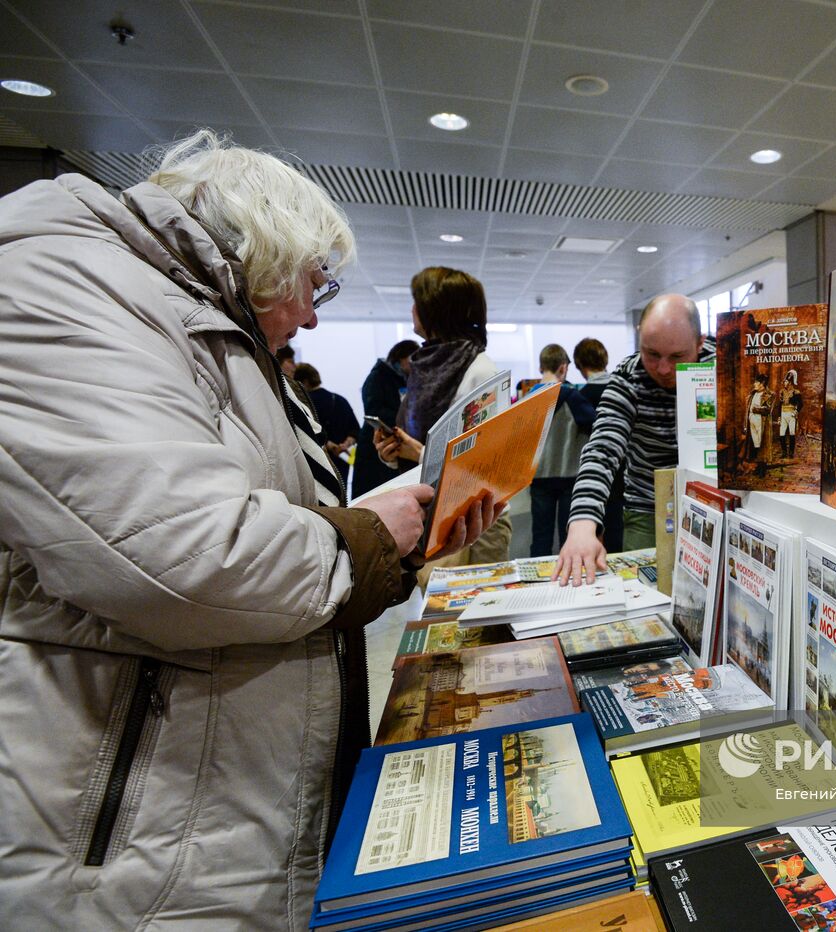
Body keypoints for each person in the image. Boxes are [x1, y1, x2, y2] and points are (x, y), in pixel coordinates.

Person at [0, 131, 498, 930]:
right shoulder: (64, 282)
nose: (307, 312)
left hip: (204, 795)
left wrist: (406, 532)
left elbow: (273, 505)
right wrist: (368, 536)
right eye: (311, 283)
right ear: (255, 245)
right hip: (133, 825)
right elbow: (186, 553)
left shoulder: (207, 322)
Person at [555, 294, 714, 584]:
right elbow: (602, 449)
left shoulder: (726, 368)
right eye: (651, 354)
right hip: (648, 509)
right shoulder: (627, 380)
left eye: (677, 356)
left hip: (715, 506)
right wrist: (582, 524)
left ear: (700, 343)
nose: (663, 369)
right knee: (646, 591)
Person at [374, 266, 513, 570]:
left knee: (475, 615)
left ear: (436, 310)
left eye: (418, 302)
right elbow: (425, 442)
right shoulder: (426, 367)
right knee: (438, 616)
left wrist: (419, 453)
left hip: (477, 523)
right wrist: (394, 455)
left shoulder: (481, 371)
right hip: (432, 517)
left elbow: (486, 468)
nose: (412, 309)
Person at [529, 343, 597, 556]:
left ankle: (538, 582)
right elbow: (596, 424)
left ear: (541, 368)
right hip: (569, 476)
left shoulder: (528, 399)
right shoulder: (572, 398)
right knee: (569, 534)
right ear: (563, 368)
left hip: (538, 477)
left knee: (541, 535)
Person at [575, 336, 625, 551]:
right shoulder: (622, 390)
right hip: (626, 469)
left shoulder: (579, 397)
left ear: (579, 365)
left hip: (593, 471)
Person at [351, 338, 418, 498]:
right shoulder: (377, 377)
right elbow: (374, 411)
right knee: (373, 496)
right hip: (375, 445)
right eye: (412, 359)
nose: (415, 364)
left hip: (392, 444)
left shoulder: (403, 379)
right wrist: (404, 419)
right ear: (401, 357)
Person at [293, 362, 359, 481]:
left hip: (321, 462)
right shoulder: (340, 400)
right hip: (343, 457)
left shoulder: (304, 405)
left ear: (304, 382)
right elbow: (355, 429)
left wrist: (328, 444)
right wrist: (346, 444)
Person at [746, 373, 774, 476]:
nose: (754, 384)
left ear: (762, 384)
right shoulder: (753, 394)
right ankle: (758, 466)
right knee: (756, 444)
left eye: (756, 382)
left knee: (762, 445)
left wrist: (755, 409)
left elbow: (767, 410)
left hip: (762, 423)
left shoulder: (769, 394)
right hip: (752, 421)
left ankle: (762, 469)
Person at [778, 368, 802, 459]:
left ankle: (791, 453)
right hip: (783, 413)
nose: (785, 383)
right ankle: (784, 452)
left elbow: (801, 404)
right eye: (784, 381)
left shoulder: (796, 392)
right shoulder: (781, 392)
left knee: (792, 433)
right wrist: (779, 416)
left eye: (786, 381)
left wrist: (796, 412)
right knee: (781, 434)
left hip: (792, 414)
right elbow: (779, 405)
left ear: (790, 382)